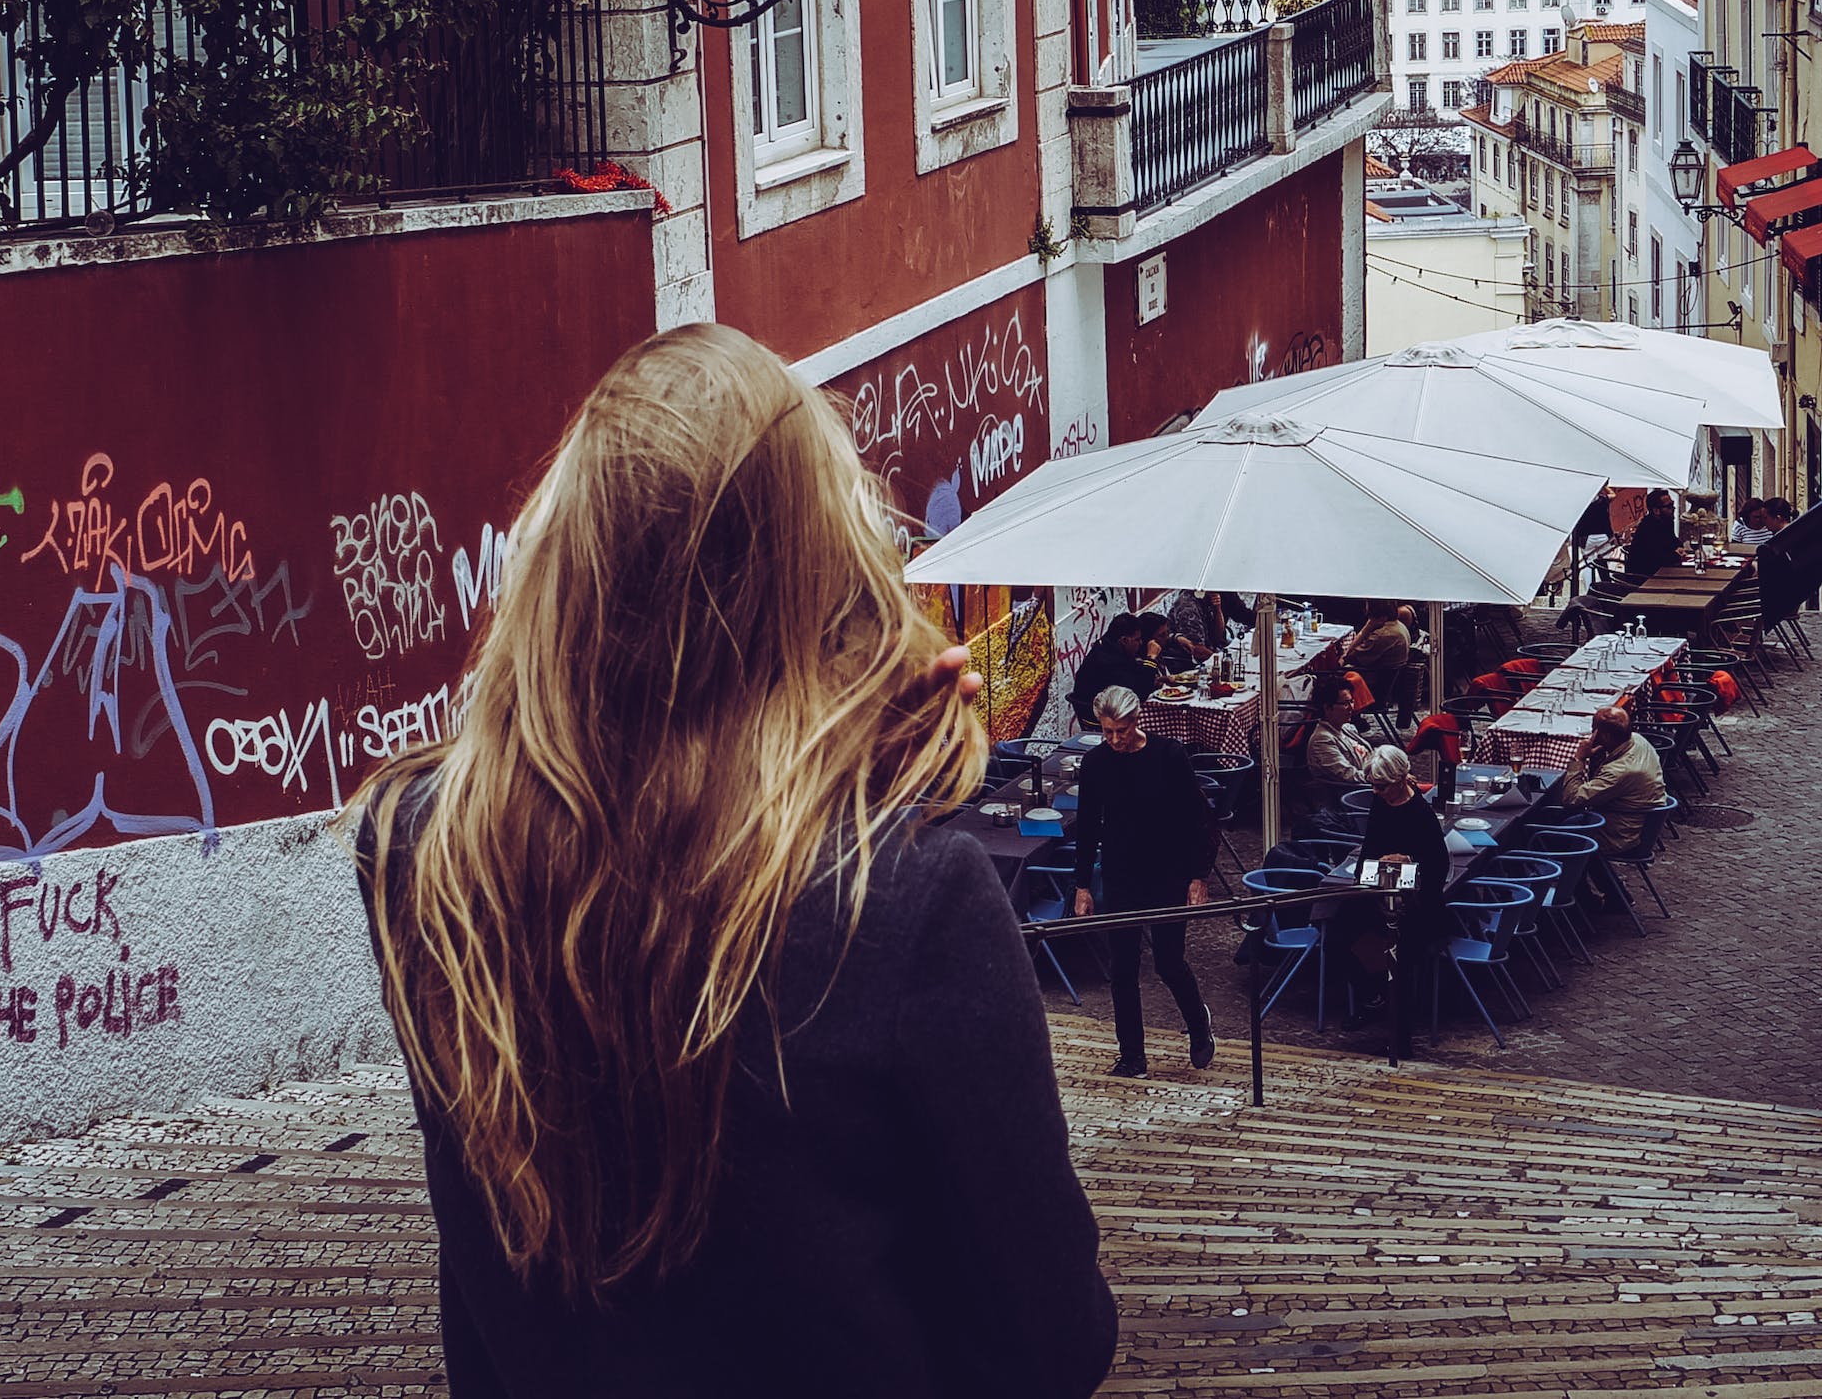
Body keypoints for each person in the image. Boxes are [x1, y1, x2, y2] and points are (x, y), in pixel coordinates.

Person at [356, 325, 1115, 1399]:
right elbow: (1050, 1342)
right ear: (818, 571)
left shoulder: (417, 854)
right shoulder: (910, 898)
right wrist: (887, 804)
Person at [1069, 686, 1218, 1078]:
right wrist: (1082, 885)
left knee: (1169, 962)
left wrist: (1198, 876)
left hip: (1168, 873)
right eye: (1107, 732)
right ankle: (1131, 1054)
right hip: (1121, 875)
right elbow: (1087, 826)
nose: (1114, 740)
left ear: (1136, 721)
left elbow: (1199, 819)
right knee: (1123, 967)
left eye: (1120, 730)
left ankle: (1198, 1023)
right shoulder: (1097, 763)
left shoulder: (1169, 756)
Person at [1356, 745, 1449, 1059]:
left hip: (1418, 905)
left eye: (1381, 786)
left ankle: (1400, 1034)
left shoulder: (1419, 813)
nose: (1376, 791)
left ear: (1399, 781)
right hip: (1381, 894)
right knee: (1346, 929)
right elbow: (1368, 850)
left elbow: (1438, 866)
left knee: (1401, 952)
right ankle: (1374, 994)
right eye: (1374, 786)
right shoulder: (1380, 804)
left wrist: (1408, 860)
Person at [1555, 702, 1667, 853]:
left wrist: (1579, 760)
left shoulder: (1620, 771)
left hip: (1615, 834)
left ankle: (1567, 873)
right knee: (1559, 818)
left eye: (1594, 730)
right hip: (1631, 820)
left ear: (1606, 736)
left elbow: (1571, 799)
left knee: (1544, 833)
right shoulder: (1637, 740)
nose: (1591, 734)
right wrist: (1599, 751)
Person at [1066, 610, 1159, 727]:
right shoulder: (1108, 660)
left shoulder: (1110, 646)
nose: (1140, 643)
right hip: (1102, 718)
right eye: (1137, 640)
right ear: (1124, 640)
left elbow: (1133, 674)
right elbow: (1140, 693)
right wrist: (1151, 659)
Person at [1298, 667, 1374, 810]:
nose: (1351, 707)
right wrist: (1386, 778)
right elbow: (1348, 775)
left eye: (1351, 701)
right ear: (1328, 708)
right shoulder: (1322, 741)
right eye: (1345, 704)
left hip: (1374, 783)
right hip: (1357, 797)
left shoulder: (1346, 727)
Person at [1620, 488, 1681, 584]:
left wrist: (1678, 549)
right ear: (1656, 510)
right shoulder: (1648, 528)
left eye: (1672, 504)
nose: (1673, 508)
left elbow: (1674, 542)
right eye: (1669, 506)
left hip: (1661, 574)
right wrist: (1676, 553)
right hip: (1643, 579)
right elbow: (1661, 556)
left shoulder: (1667, 521)